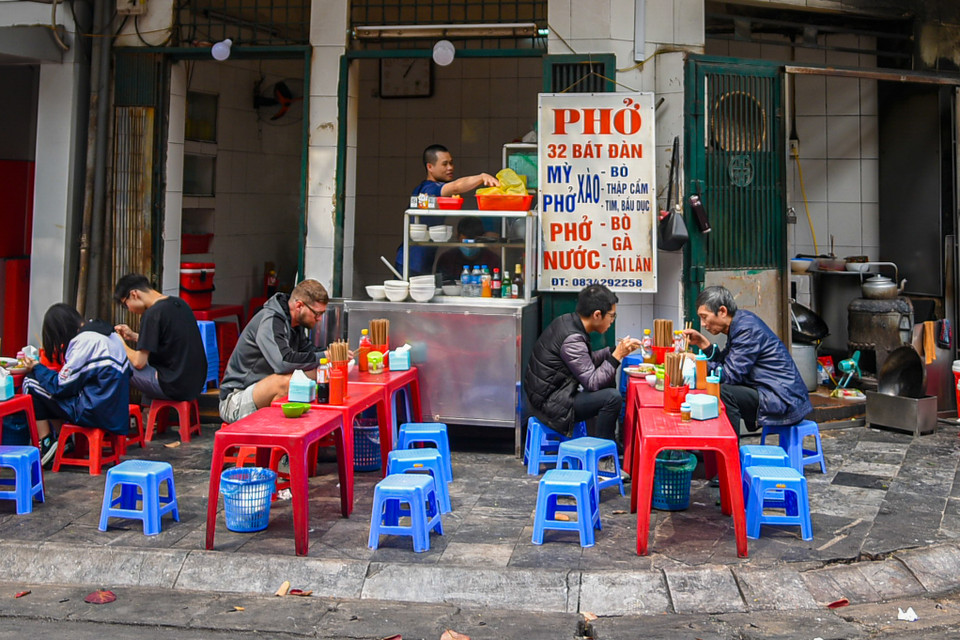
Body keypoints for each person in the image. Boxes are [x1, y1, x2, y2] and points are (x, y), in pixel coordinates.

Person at [681, 285, 812, 436]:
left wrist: (698, 361)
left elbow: (729, 375)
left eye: (705, 317)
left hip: (784, 399)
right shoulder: (739, 322)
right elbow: (727, 363)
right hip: (773, 394)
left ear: (722, 311)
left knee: (723, 391)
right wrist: (704, 345)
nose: (703, 324)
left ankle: (729, 453)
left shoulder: (746, 328)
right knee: (716, 387)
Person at [524, 284, 641, 447]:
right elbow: (592, 383)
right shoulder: (572, 338)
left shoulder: (568, 321)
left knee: (607, 377)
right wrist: (616, 356)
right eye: (612, 316)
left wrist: (614, 351)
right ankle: (603, 457)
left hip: (552, 395)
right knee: (612, 398)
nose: (612, 321)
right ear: (597, 315)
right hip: (550, 405)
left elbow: (584, 362)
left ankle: (607, 443)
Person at [20, 304, 131, 465]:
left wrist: (37, 367)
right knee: (49, 389)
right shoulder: (107, 334)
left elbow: (61, 386)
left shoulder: (84, 341)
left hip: (95, 411)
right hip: (115, 411)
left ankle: (46, 443)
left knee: (31, 382)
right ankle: (62, 442)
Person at [219, 279, 334, 423]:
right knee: (285, 382)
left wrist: (334, 354)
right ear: (299, 306)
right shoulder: (270, 320)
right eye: (317, 314)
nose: (319, 319)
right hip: (235, 400)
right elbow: (283, 363)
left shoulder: (295, 324)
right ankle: (281, 437)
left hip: (260, 392)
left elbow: (309, 353)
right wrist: (324, 356)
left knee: (319, 371)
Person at [397, 144, 500, 277]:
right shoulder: (430, 189)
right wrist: (482, 177)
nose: (450, 168)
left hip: (421, 261)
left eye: (451, 163)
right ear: (430, 167)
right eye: (444, 164)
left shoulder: (430, 188)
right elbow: (456, 187)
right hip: (412, 262)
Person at [113, 273, 207, 402]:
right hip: (196, 384)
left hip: (174, 386)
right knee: (153, 366)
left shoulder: (152, 314)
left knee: (117, 363)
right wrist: (134, 336)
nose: (129, 310)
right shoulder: (179, 303)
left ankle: (119, 413)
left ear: (134, 294)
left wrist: (120, 344)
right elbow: (167, 341)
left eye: (125, 304)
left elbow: (139, 363)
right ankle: (148, 415)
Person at [434, 216, 502, 282]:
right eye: (466, 242)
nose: (469, 247)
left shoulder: (492, 260)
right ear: (457, 237)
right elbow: (440, 284)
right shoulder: (447, 259)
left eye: (473, 243)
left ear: (482, 238)